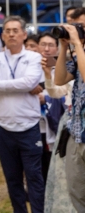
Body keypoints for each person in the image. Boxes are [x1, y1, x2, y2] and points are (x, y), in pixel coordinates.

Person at [0, 16, 45, 213]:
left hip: (29, 127)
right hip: (3, 127)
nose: (11, 34)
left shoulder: (34, 57)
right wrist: (21, 85)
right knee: (12, 179)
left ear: (24, 34)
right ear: (2, 35)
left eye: (15, 30)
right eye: (7, 31)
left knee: (34, 177)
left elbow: (29, 82)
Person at [54, 22, 85, 211]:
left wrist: (77, 45)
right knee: (77, 193)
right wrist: (64, 46)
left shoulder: (81, 52)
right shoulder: (79, 54)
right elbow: (59, 79)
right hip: (77, 134)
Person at [35, 32, 66, 182]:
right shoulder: (30, 68)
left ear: (57, 49)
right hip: (32, 123)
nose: (46, 49)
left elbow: (62, 95)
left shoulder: (62, 70)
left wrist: (45, 98)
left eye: (51, 45)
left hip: (54, 124)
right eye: (43, 44)